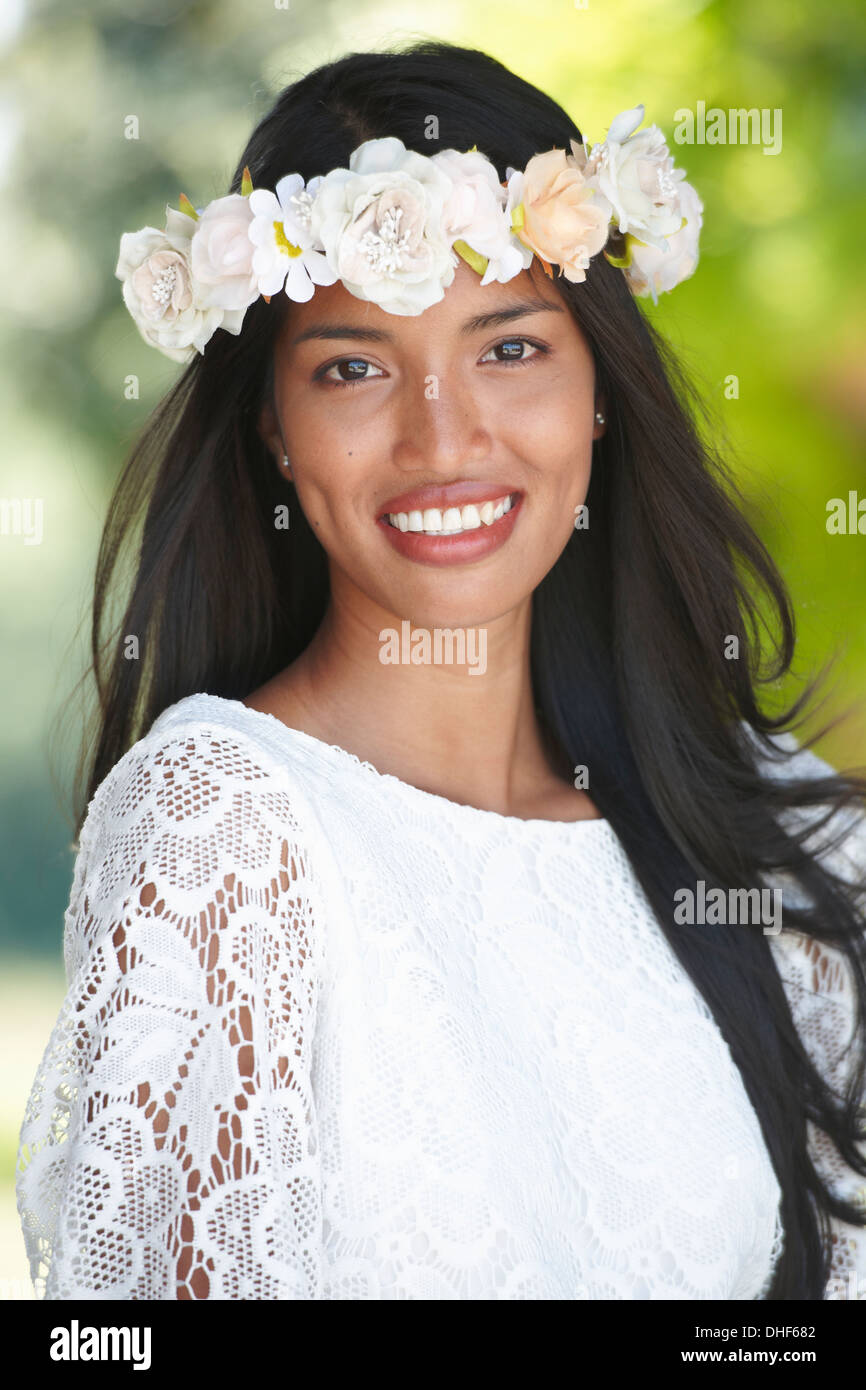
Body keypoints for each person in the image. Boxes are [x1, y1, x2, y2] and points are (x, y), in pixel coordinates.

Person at [15, 39, 866, 1301]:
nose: (442, 436)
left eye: (508, 347)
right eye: (353, 366)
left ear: (597, 389)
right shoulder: (224, 828)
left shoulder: (780, 835)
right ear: (272, 426)